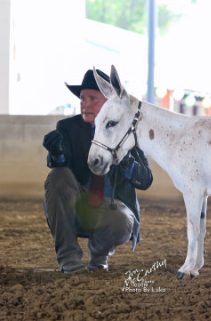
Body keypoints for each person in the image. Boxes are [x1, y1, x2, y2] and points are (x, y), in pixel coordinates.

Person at [43, 69, 153, 273]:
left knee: (121, 220)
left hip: (112, 212)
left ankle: (99, 257)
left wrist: (124, 157)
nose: (85, 104)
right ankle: (69, 260)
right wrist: (57, 154)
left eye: (93, 98)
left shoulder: (128, 131)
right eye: (82, 98)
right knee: (57, 175)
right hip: (75, 206)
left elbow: (145, 180)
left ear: (109, 103)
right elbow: (61, 166)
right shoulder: (68, 127)